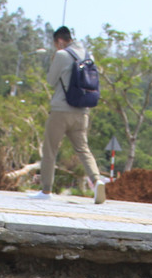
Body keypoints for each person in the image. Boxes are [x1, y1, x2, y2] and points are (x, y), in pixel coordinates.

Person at [33, 26, 106, 203]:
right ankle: (96, 181)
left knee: (50, 149)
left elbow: (51, 81)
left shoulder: (62, 55)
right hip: (82, 112)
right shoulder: (89, 56)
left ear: (59, 41)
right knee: (83, 149)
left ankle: (46, 190)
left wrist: (54, 60)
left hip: (61, 110)